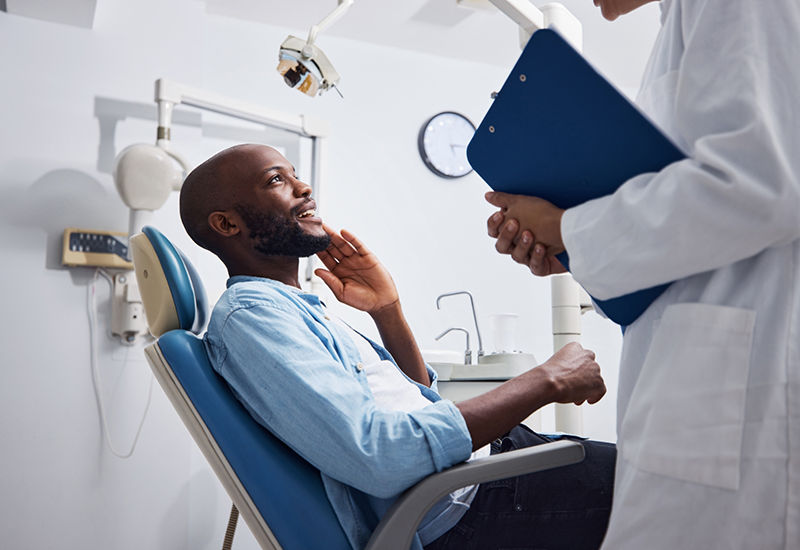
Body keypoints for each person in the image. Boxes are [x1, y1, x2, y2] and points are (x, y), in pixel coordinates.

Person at [179, 143, 616, 550]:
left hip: (484, 475)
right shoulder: (253, 316)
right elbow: (382, 455)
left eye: (294, 175)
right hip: (472, 504)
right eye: (276, 180)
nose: (304, 187)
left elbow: (416, 402)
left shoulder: (289, 308)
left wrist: (387, 311)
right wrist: (546, 380)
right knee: (672, 487)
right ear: (226, 223)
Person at [485, 0, 800, 548]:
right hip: (692, 375)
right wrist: (569, 249)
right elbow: (682, 239)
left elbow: (762, 182)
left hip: (739, 382)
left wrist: (571, 229)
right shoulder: (678, 30)